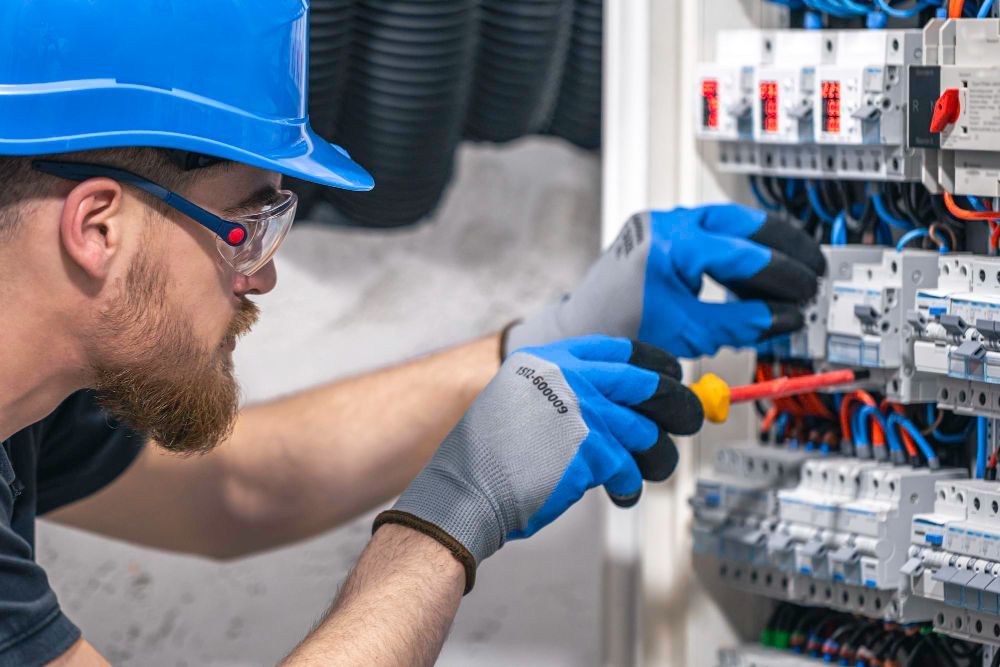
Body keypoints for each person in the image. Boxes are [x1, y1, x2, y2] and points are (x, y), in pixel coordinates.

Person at [0, 2, 825, 665]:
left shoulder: (26, 405)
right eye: (243, 224)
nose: (261, 275)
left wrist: (545, 337)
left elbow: (239, 489)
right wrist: (446, 522)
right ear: (97, 228)